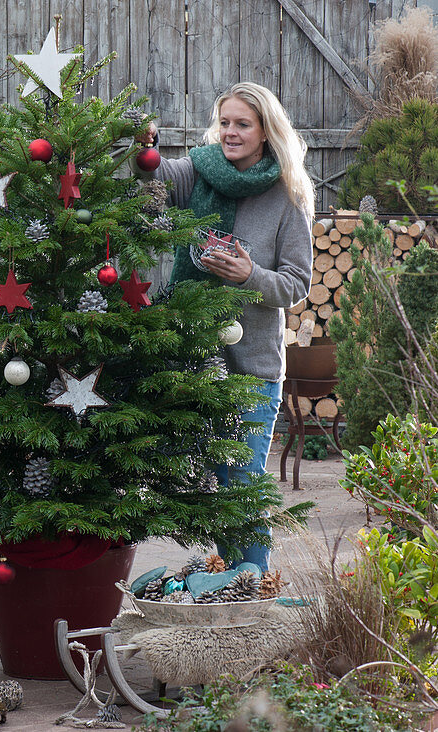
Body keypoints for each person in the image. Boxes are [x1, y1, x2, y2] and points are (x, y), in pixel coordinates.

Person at [135, 82, 315, 571]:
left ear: (264, 131)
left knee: (241, 482)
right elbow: (149, 175)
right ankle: (230, 580)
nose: (231, 132)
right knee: (213, 484)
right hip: (191, 360)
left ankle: (251, 586)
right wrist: (140, 145)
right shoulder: (199, 172)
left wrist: (249, 275)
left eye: (243, 124)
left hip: (251, 367)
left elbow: (297, 283)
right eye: (226, 122)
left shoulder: (287, 196)